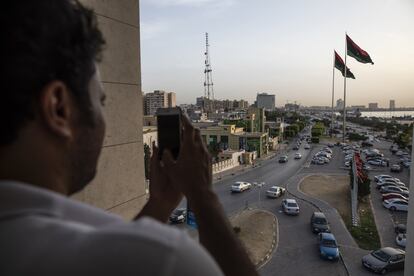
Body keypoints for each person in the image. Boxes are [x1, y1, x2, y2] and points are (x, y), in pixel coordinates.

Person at [0, 1, 258, 276]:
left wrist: (159, 204)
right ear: (59, 108)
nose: (104, 120)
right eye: (100, 101)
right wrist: (204, 197)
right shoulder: (166, 259)